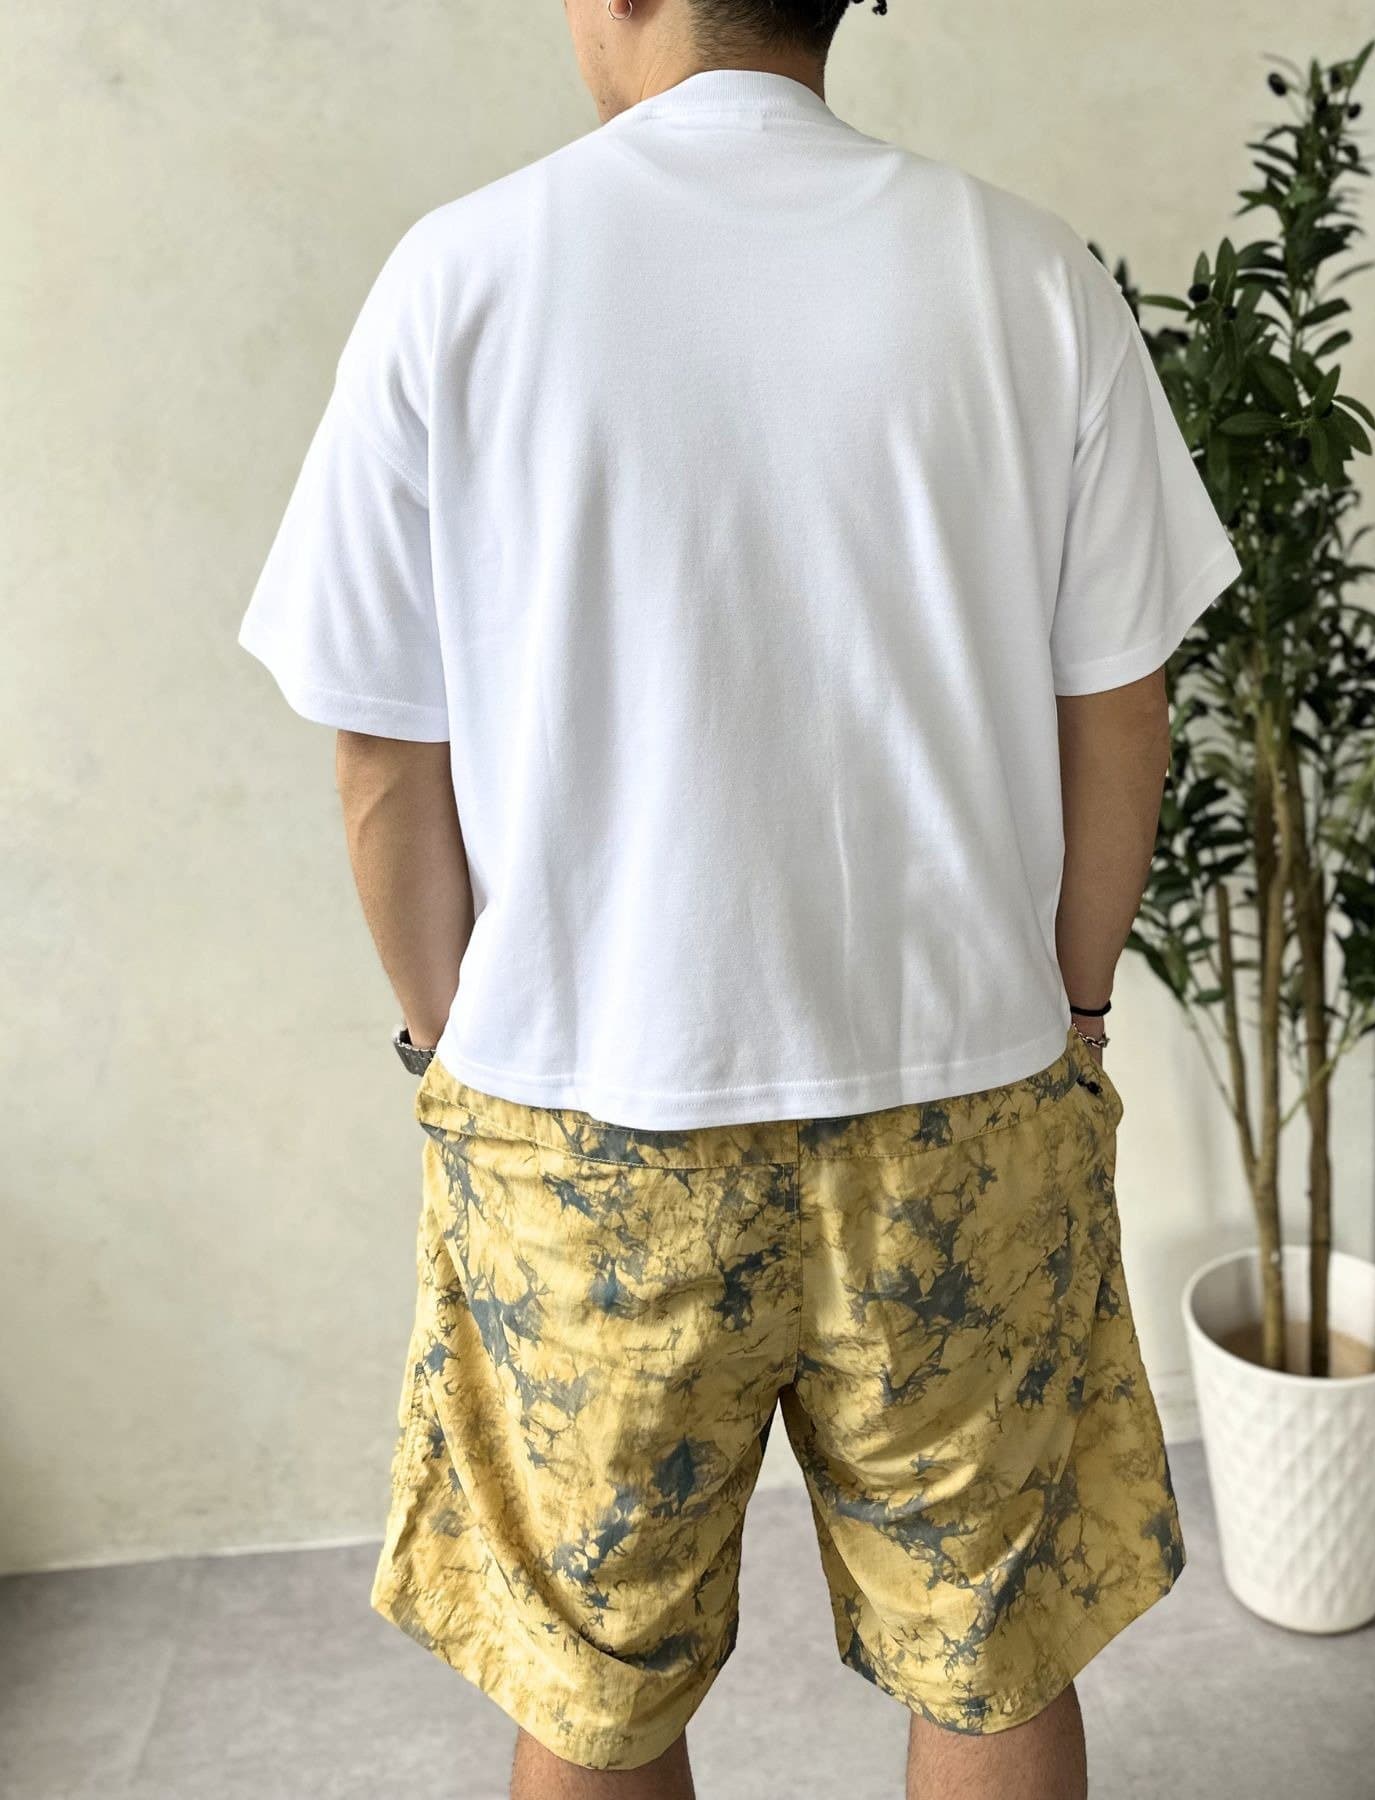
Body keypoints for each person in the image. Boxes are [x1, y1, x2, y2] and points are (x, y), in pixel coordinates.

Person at [237, 1, 1241, 1794]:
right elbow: (1121, 712)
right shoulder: (1027, 276)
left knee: (594, 1686)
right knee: (991, 1655)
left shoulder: (464, 277)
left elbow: (382, 754)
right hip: (966, 1099)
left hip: (588, 1128)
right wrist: (1075, 1005)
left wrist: (460, 1049)